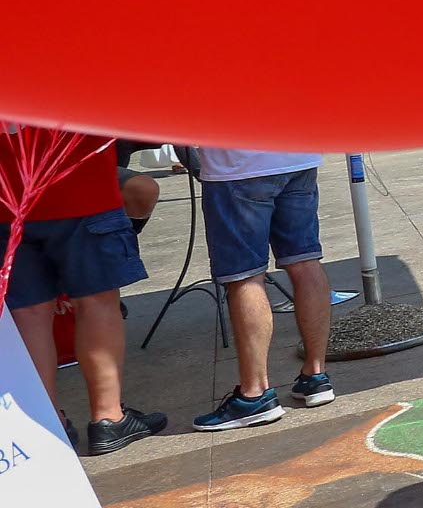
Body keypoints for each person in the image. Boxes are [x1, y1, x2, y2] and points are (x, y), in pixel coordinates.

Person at [4, 134, 163, 455]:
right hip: (81, 186)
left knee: (29, 314)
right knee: (98, 302)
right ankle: (108, 417)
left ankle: (46, 420)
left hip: (10, 195)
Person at [190, 147, 336, 431]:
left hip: (236, 165)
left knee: (245, 277)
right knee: (306, 262)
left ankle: (254, 393)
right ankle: (316, 375)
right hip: (298, 153)